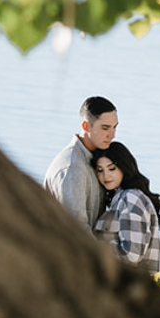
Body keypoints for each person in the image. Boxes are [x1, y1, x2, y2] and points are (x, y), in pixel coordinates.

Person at [91, 141, 160, 275]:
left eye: (111, 168)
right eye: (100, 170)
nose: (106, 175)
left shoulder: (131, 197)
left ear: (124, 167)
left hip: (134, 289)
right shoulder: (121, 198)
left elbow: (131, 255)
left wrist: (96, 243)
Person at [42, 96, 118, 228]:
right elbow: (77, 229)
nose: (112, 135)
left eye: (114, 127)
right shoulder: (73, 168)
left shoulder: (97, 159)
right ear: (86, 126)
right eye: (105, 128)